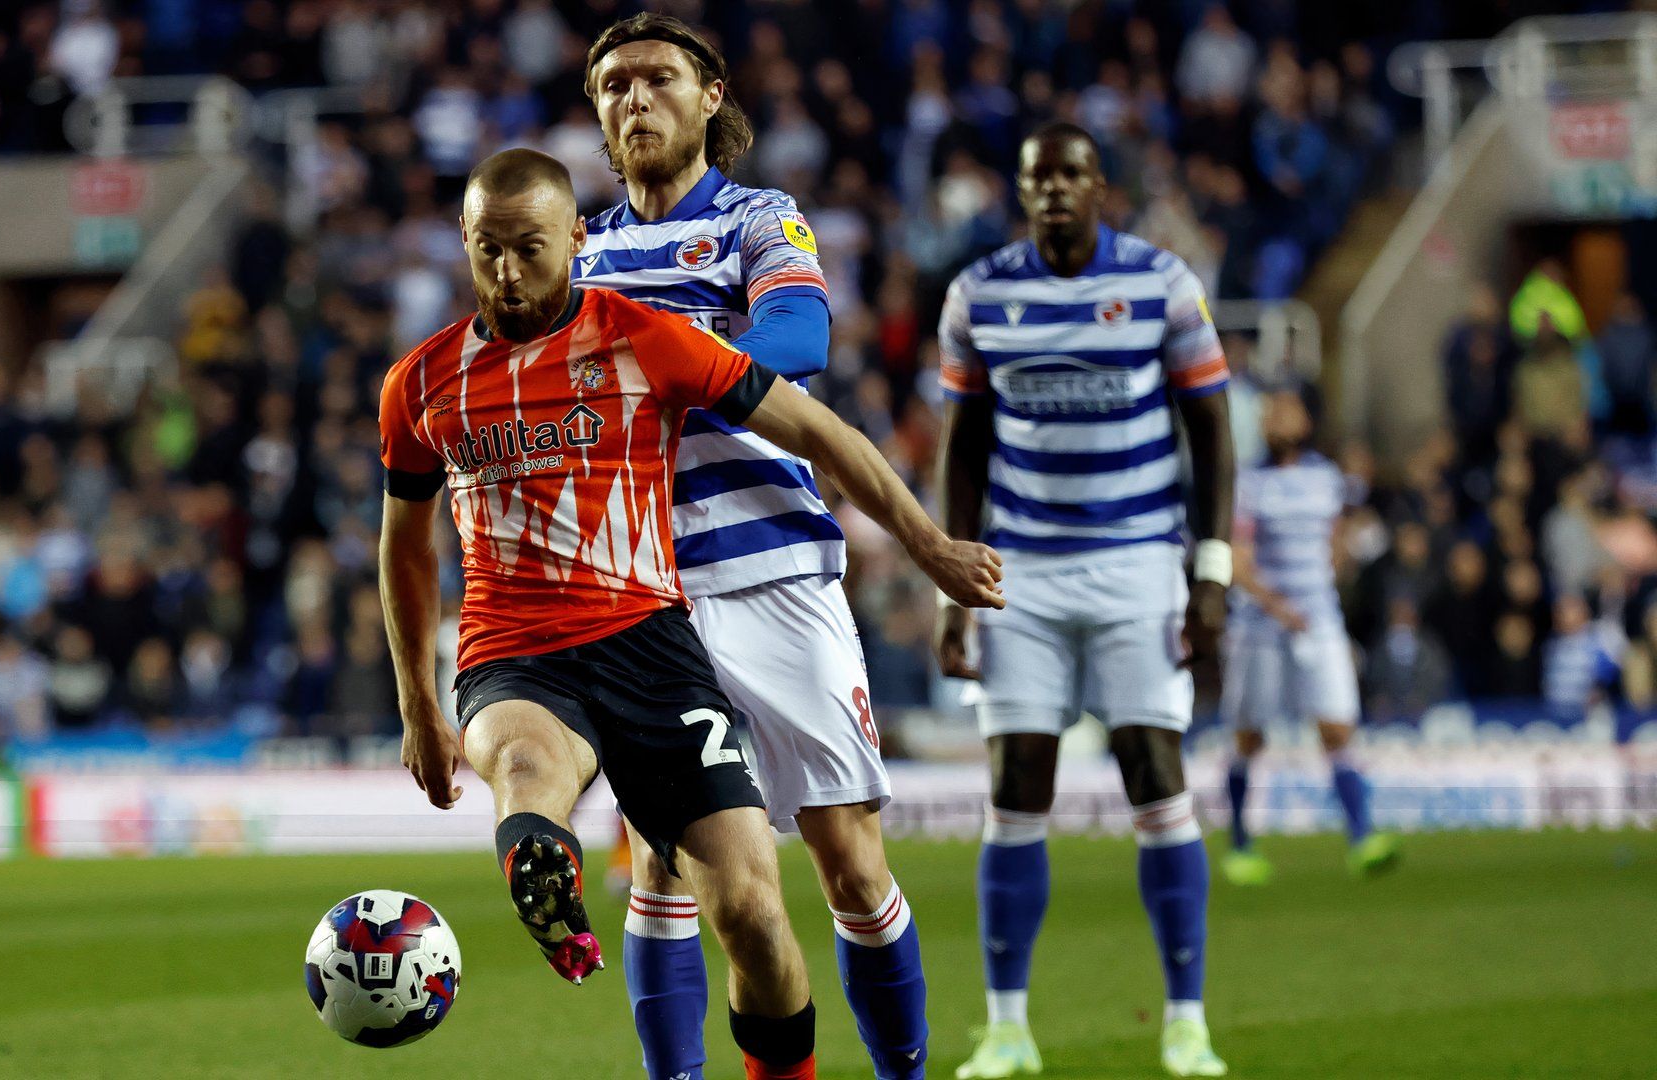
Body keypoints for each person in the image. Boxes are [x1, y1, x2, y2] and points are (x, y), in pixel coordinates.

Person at [379, 148, 1003, 1080]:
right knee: (525, 764)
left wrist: (931, 546)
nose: (507, 275)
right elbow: (404, 547)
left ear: (576, 240)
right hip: (514, 656)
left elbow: (820, 428)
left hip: (650, 641)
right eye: (487, 251)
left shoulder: (641, 336)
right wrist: (418, 707)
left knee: (751, 908)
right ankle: (540, 863)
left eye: (529, 250)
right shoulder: (421, 382)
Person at [573, 14, 930, 1080]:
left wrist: (650, 374)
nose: (635, 99)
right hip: (641, 590)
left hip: (774, 572)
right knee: (665, 871)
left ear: (712, 96)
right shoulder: (577, 249)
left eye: (658, 78)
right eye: (613, 85)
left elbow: (796, 344)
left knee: (852, 866)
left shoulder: (757, 220)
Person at [934, 122, 1234, 1079]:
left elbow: (1211, 434)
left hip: (1140, 560)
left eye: (1071, 174)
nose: (1054, 190)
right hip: (1021, 569)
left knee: (1156, 771)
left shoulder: (1162, 283)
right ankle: (1008, 1027)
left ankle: (1186, 1020)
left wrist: (1212, 572)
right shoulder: (978, 294)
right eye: (1037, 178)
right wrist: (954, 575)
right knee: (1016, 787)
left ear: (1101, 185)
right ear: (1022, 193)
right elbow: (964, 445)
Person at [1219, 389, 1402, 887]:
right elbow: (1237, 556)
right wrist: (1276, 605)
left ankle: (1363, 838)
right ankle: (1239, 843)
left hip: (1318, 620)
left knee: (1338, 727)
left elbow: (1338, 539)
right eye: (1268, 413)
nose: (1273, 420)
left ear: (1304, 418)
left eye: (1284, 409)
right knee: (1249, 735)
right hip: (1260, 628)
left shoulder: (1325, 478)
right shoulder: (1249, 483)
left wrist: (1330, 574)